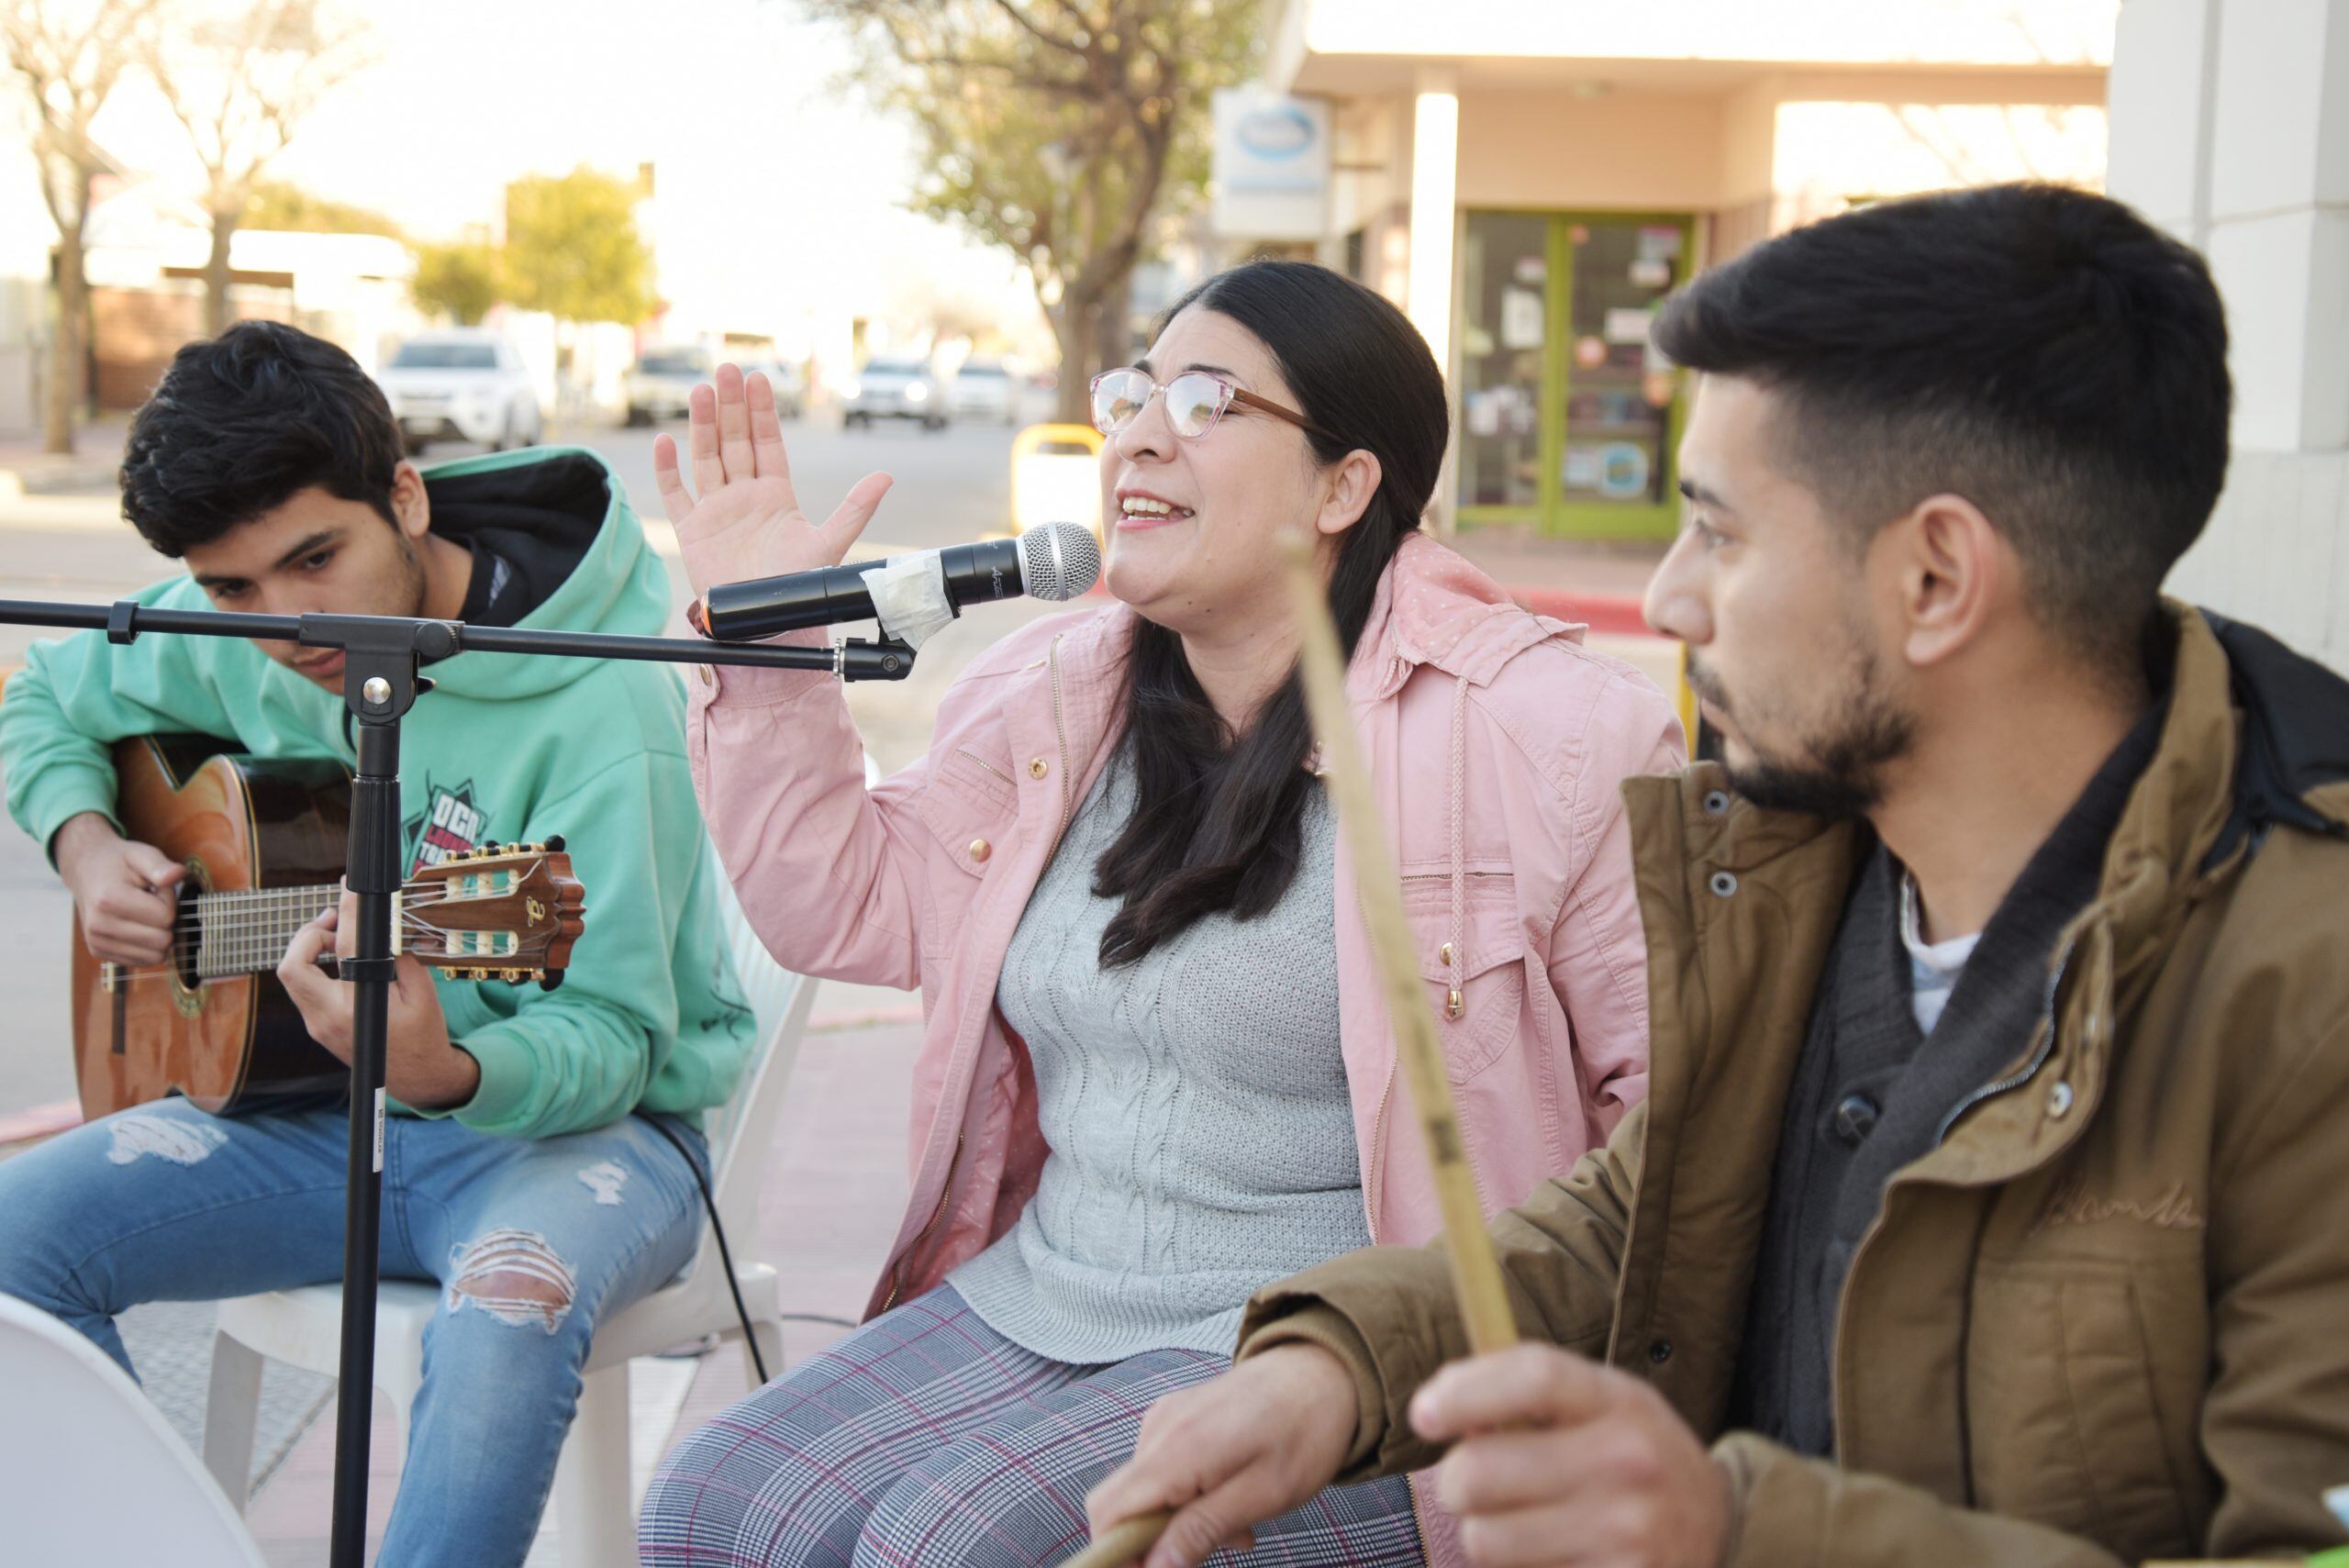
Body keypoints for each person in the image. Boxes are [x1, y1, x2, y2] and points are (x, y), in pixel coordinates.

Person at [1084, 183, 2349, 1568]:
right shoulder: (1800, 853)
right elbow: (1646, 1207)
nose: (1673, 600)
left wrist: (1739, 1531)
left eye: (1722, 535)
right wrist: (1336, 1368)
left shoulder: (2308, 995)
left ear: (1937, 577)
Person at [635, 260, 1684, 1566]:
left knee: (944, 1546)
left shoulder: (1552, 732)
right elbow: (842, 904)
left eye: (1204, 399)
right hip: (1048, 1287)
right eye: (1132, 392)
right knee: (715, 1501)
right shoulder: (1055, 694)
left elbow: (1674, 1127)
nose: (1135, 430)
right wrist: (765, 646)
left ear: (1343, 487)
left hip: (1342, 1352)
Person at [0, 321, 757, 1568]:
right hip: (317, 1114)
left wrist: (446, 1069)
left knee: (507, 1318)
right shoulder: (243, 634)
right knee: (18, 1244)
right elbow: (43, 692)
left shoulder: (605, 705)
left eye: (315, 557)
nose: (285, 622)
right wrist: (86, 843)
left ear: (404, 494)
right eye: (233, 587)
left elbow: (616, 1035)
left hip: (577, 1136)